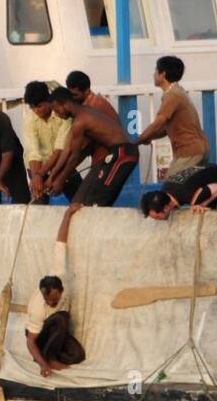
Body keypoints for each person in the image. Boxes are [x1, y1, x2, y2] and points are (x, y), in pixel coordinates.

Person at [45, 88, 139, 261]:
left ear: (66, 104)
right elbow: (71, 152)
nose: (57, 115)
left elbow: (73, 156)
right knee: (89, 202)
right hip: (119, 154)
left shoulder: (80, 122)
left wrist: (60, 180)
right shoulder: (84, 114)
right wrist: (53, 178)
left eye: (57, 110)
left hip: (122, 154)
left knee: (97, 204)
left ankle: (103, 251)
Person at [137, 56, 209, 176]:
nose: (153, 74)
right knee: (186, 189)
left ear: (162, 74)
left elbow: (157, 123)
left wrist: (137, 141)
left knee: (172, 185)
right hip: (195, 150)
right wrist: (149, 137)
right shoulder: (177, 91)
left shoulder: (173, 95)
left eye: (156, 70)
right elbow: (165, 129)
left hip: (190, 152)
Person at [22, 80, 80, 204]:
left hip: (61, 161)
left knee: (79, 198)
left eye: (39, 106)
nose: (36, 111)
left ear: (48, 100)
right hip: (37, 166)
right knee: (39, 202)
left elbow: (60, 150)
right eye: (32, 107)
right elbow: (33, 152)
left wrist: (49, 175)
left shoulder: (63, 114)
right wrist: (37, 176)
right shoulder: (30, 119)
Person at [25, 275, 85, 375]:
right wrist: (43, 365)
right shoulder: (38, 309)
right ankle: (49, 359)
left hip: (55, 334)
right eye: (46, 299)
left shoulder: (65, 294)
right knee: (62, 318)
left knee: (78, 355)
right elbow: (30, 341)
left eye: (54, 299)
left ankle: (44, 354)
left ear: (61, 291)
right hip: (39, 336)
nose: (50, 302)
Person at [140, 164, 217, 220]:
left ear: (166, 207)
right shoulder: (166, 189)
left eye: (157, 217)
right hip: (208, 176)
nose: (157, 220)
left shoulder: (190, 196)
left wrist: (200, 204)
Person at [65, 70, 121, 165]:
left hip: (109, 155)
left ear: (87, 91)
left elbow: (81, 146)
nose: (72, 99)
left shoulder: (92, 107)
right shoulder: (93, 102)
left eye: (75, 95)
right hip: (108, 153)